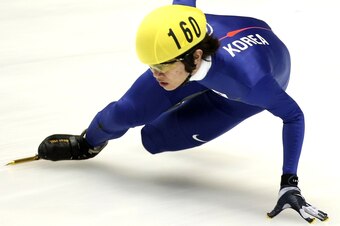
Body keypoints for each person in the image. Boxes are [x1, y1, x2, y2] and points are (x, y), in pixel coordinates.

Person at [38, 0, 328, 223]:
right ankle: (88, 144)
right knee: (126, 111)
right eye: (151, 65)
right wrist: (164, 69)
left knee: (154, 139)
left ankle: (187, 102)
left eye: (161, 66)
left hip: (238, 93)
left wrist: (288, 183)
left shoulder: (250, 84)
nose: (155, 73)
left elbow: (294, 116)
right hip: (199, 68)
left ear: (196, 56)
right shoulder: (177, 37)